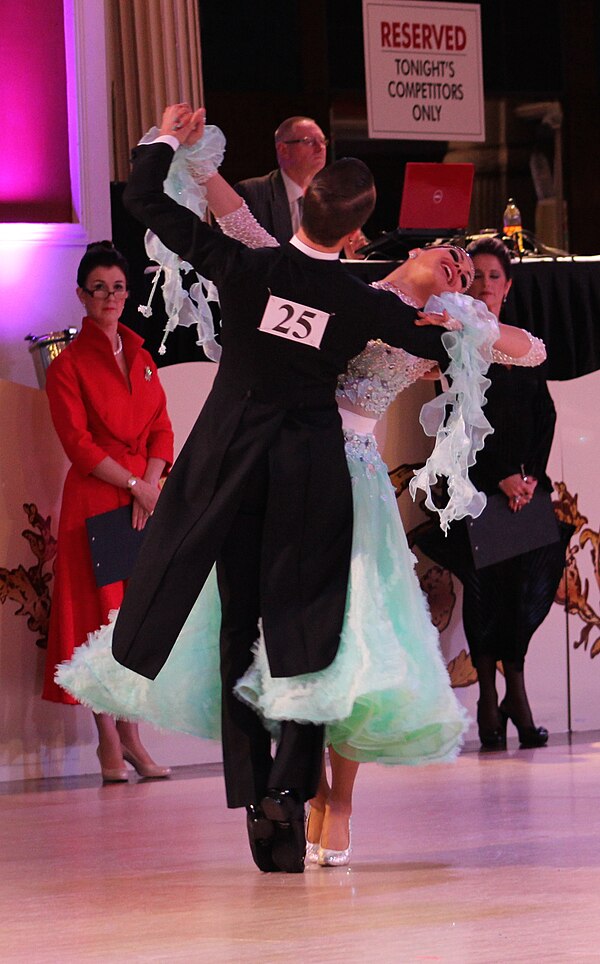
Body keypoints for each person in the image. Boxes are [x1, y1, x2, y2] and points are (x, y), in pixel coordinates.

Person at [57, 106, 538, 874]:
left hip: (247, 472)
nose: (450, 261)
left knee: (267, 636)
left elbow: (152, 205)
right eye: (444, 253)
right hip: (313, 481)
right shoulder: (363, 303)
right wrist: (463, 318)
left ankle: (279, 796)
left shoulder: (260, 266)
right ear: (361, 234)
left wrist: (162, 142)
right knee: (298, 637)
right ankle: (288, 792)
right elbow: (239, 214)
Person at [419, 236, 567, 751]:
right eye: (475, 275)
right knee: (486, 596)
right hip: (475, 486)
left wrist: (529, 476)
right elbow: (458, 421)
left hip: (524, 489)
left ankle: (516, 696)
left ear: (508, 285)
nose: (485, 285)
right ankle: (489, 700)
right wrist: (501, 474)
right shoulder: (454, 339)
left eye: (494, 277)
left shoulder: (523, 342)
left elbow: (545, 415)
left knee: (526, 598)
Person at [43, 241, 174, 783]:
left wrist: (150, 482)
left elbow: (163, 428)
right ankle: (109, 744)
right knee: (100, 624)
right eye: (99, 288)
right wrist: (135, 485)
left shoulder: (142, 357)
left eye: (118, 287)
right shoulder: (67, 364)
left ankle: (135, 738)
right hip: (97, 501)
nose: (111, 297)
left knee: (134, 622)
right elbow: (78, 444)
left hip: (140, 499)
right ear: (82, 295)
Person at [234, 115, 328, 243]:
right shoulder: (252, 194)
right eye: (309, 141)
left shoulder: (329, 198)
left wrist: (351, 256)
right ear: (283, 149)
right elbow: (228, 254)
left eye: (323, 141)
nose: (320, 148)